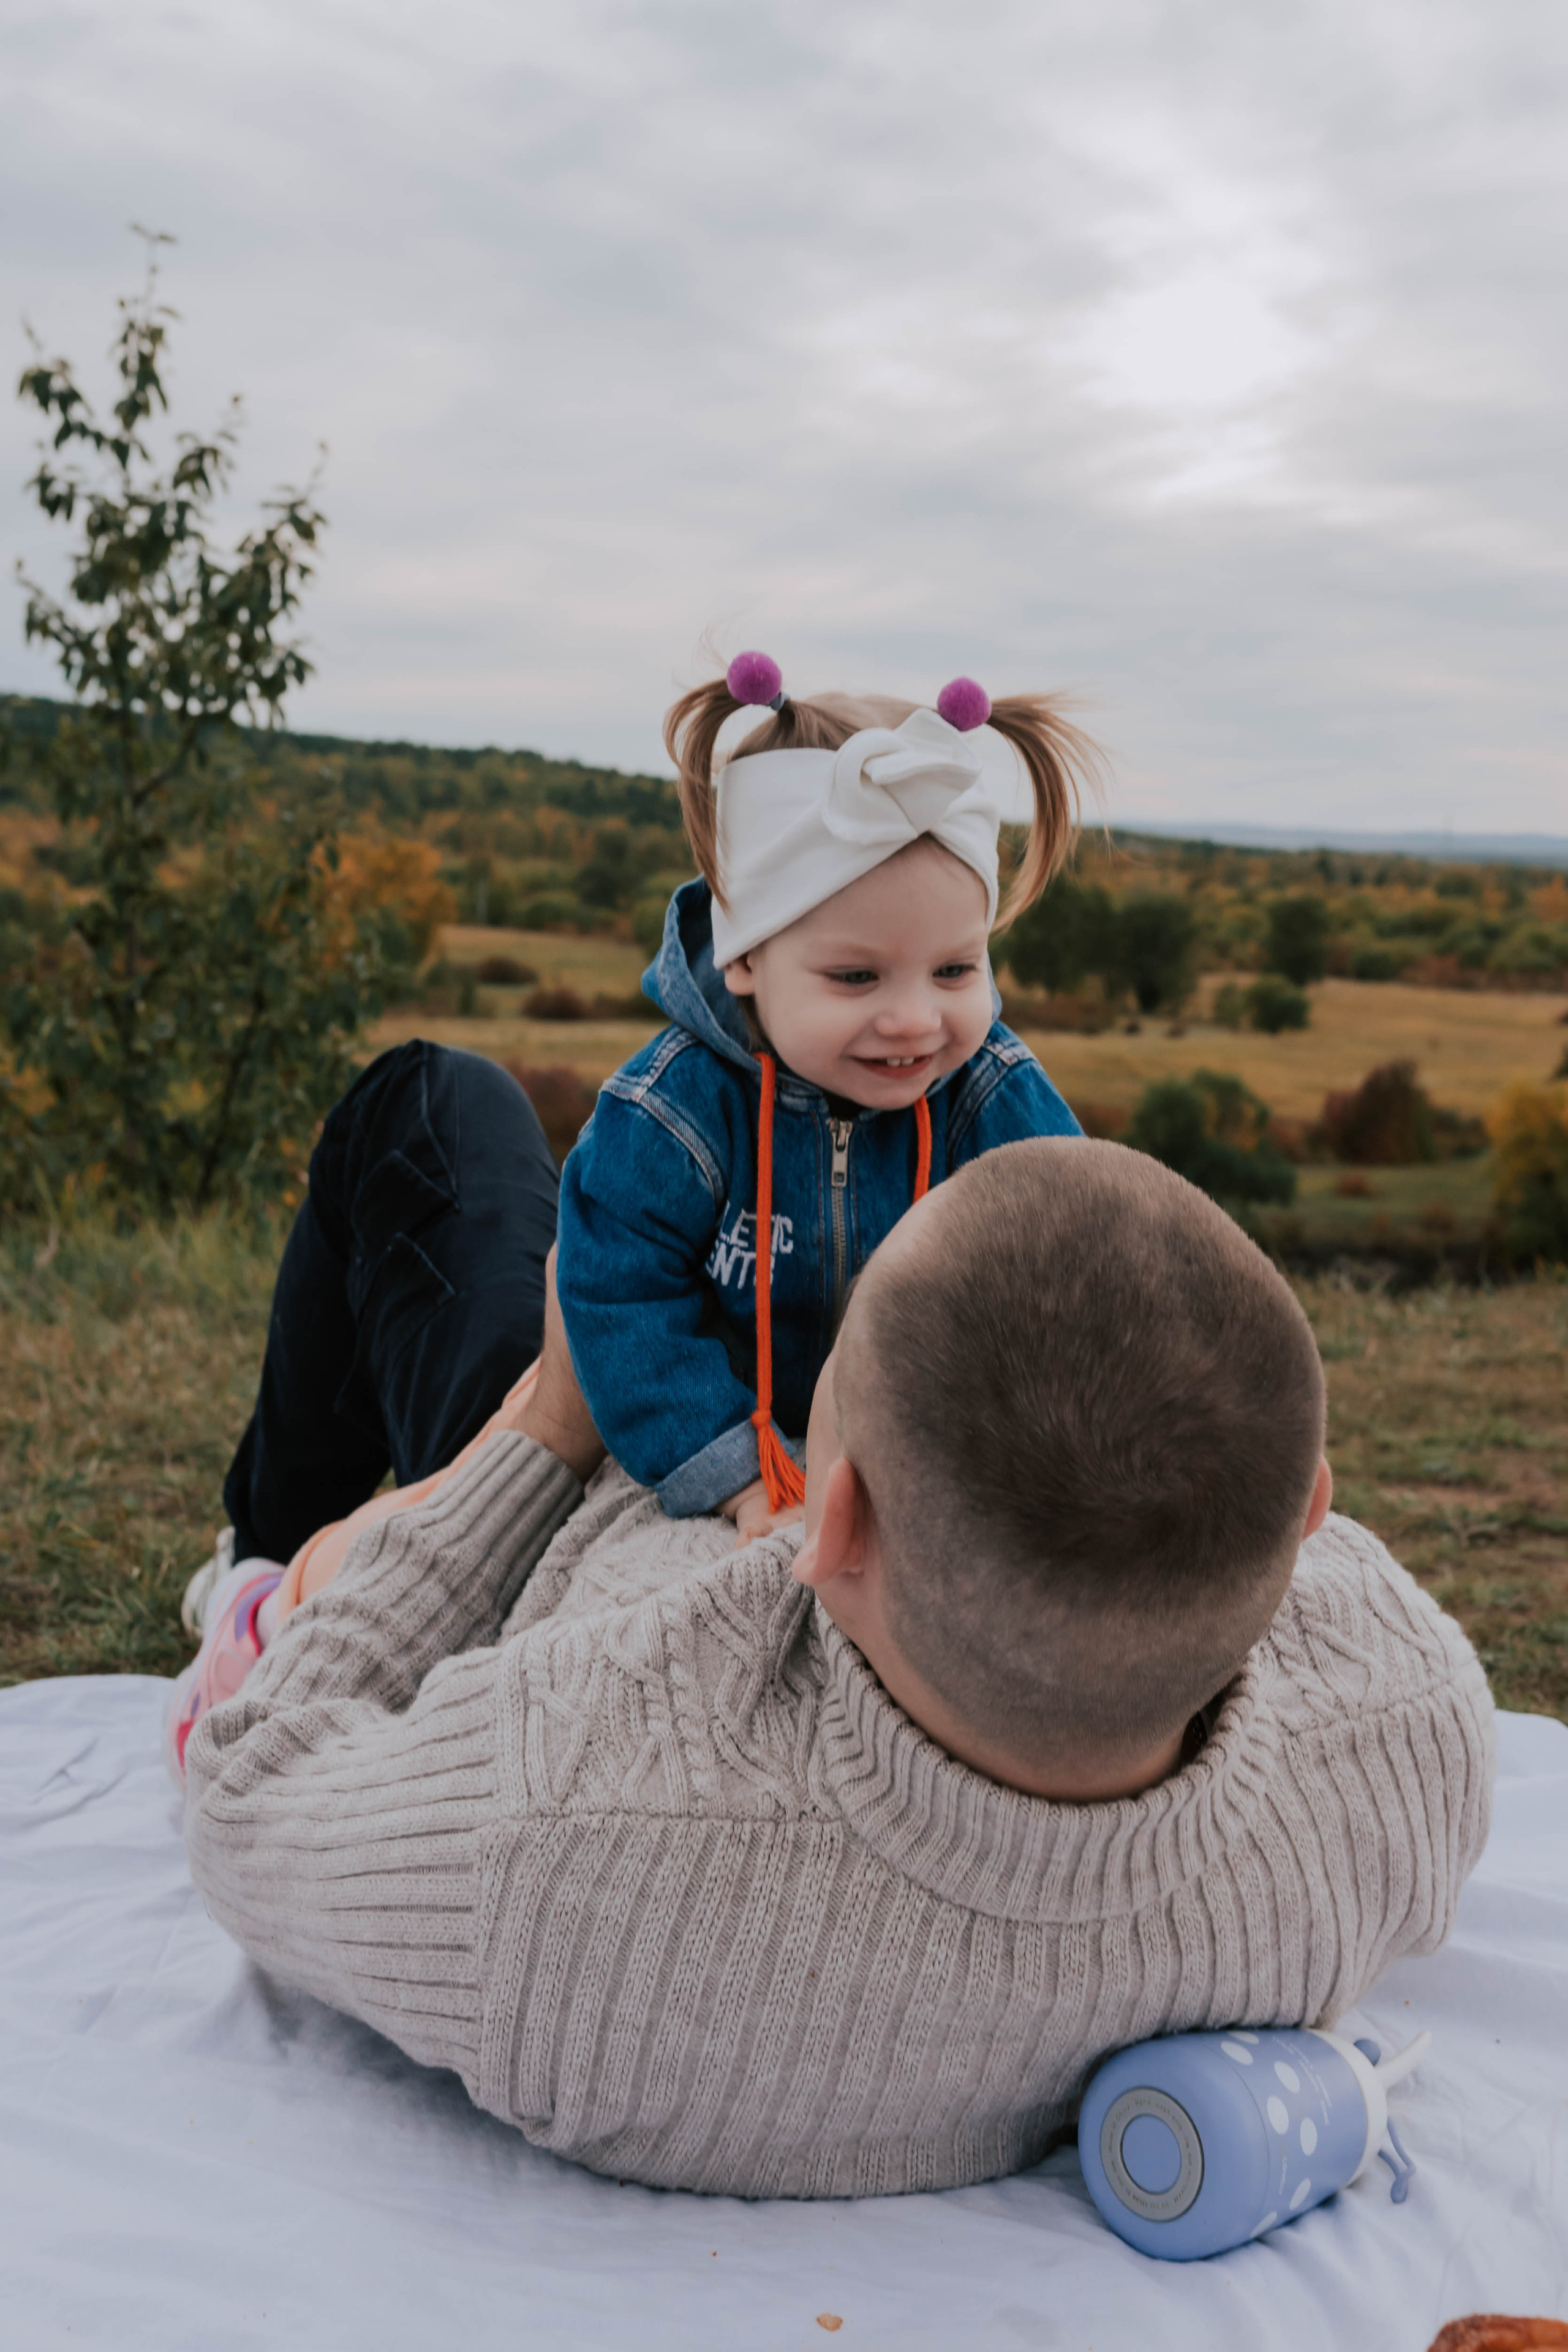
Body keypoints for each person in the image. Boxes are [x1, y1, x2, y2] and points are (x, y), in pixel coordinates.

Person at [181, 1085, 1495, 2201]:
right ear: (1311, 1510)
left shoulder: (561, 1858)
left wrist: (543, 1426)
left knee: (427, 1107)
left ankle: (267, 1543)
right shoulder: (1411, 1735)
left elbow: (245, 1799)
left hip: (569, 1501)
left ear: (833, 1517)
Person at [554, 655, 1099, 1539]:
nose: (917, 1022)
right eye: (857, 976)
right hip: (722, 1448)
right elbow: (620, 1297)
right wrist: (732, 1468)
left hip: (928, 1443)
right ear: (745, 957)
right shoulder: (673, 1115)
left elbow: (1092, 1253)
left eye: (956, 969)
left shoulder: (986, 1094)